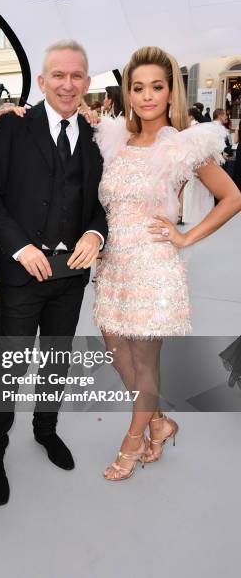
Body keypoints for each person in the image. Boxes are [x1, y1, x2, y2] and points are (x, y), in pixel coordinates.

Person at [93, 46, 241, 481]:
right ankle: (159, 421)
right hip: (114, 265)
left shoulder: (183, 144)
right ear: (128, 92)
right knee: (115, 348)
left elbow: (232, 197)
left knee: (144, 362)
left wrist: (184, 236)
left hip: (155, 267)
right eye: (138, 87)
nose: (147, 96)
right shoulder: (115, 140)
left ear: (170, 90)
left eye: (157, 86)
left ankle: (134, 439)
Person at [0, 40, 107, 505]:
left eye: (76, 76)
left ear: (88, 83)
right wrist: (19, 247)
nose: (68, 84)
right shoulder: (14, 128)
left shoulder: (98, 136)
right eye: (59, 75)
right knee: (10, 366)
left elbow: (103, 204)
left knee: (56, 359)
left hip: (70, 276)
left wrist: (96, 234)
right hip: (22, 274)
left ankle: (46, 430)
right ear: (43, 80)